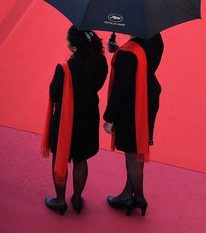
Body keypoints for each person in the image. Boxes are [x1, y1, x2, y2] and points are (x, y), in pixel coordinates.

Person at [41, 26, 108, 215]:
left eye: (68, 39)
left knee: (59, 156)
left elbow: (54, 93)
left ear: (75, 48)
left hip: (65, 119)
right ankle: (77, 199)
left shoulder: (64, 69)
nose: (66, 41)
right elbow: (98, 83)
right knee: (81, 158)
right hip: (87, 116)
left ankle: (59, 200)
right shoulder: (101, 62)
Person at [102, 33, 163, 216]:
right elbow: (142, 61)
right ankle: (128, 193)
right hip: (149, 96)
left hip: (132, 105)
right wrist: (119, 50)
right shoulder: (157, 38)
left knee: (131, 152)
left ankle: (139, 197)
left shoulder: (128, 54)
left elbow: (121, 87)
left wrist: (109, 118)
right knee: (137, 149)